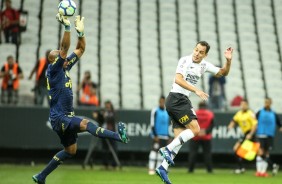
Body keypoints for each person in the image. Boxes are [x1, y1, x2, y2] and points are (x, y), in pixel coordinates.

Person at [32, 14, 128, 184]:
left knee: (70, 150)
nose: (63, 55)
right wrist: (67, 28)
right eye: (59, 54)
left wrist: (81, 33)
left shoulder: (64, 66)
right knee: (86, 124)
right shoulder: (53, 71)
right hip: (61, 117)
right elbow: (64, 48)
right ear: (53, 61)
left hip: (63, 116)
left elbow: (81, 49)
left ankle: (41, 176)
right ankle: (119, 137)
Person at [155, 41, 233, 184]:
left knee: (179, 139)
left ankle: (162, 168)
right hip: (177, 99)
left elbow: (223, 73)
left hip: (179, 101)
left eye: (201, 52)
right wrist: (195, 89)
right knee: (196, 130)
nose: (197, 53)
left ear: (205, 54)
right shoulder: (185, 60)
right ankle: (166, 149)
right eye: (196, 50)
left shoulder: (204, 65)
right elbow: (178, 79)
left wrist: (228, 61)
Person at [227, 99, 257, 174]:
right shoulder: (239, 113)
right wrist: (230, 126)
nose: (243, 106)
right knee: (236, 149)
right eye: (242, 104)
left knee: (258, 152)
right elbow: (234, 121)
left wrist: (251, 134)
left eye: (244, 104)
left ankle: (241, 168)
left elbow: (255, 124)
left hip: (250, 133)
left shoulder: (251, 113)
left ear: (247, 105)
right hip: (245, 134)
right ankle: (241, 168)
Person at [255, 97, 282, 177]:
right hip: (260, 134)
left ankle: (263, 171)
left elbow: (279, 125)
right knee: (260, 152)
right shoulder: (259, 112)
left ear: (271, 103)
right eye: (265, 102)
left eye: (268, 102)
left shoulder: (274, 114)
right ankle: (259, 171)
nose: (266, 104)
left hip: (269, 135)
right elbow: (254, 121)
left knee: (266, 153)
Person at [188, 101, 214, 173]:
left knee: (193, 153)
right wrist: (205, 132)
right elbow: (212, 125)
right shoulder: (210, 114)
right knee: (207, 154)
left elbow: (190, 124)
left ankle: (190, 169)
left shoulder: (194, 113)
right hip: (206, 137)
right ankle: (209, 170)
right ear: (205, 106)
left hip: (195, 136)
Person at [148, 96, 170, 175]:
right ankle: (151, 168)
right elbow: (152, 123)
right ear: (159, 101)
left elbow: (167, 125)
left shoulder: (167, 112)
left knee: (161, 154)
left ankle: (158, 169)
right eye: (161, 101)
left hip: (164, 136)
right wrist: (155, 135)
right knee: (154, 152)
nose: (162, 103)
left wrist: (168, 136)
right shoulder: (155, 110)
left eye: (163, 101)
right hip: (157, 135)